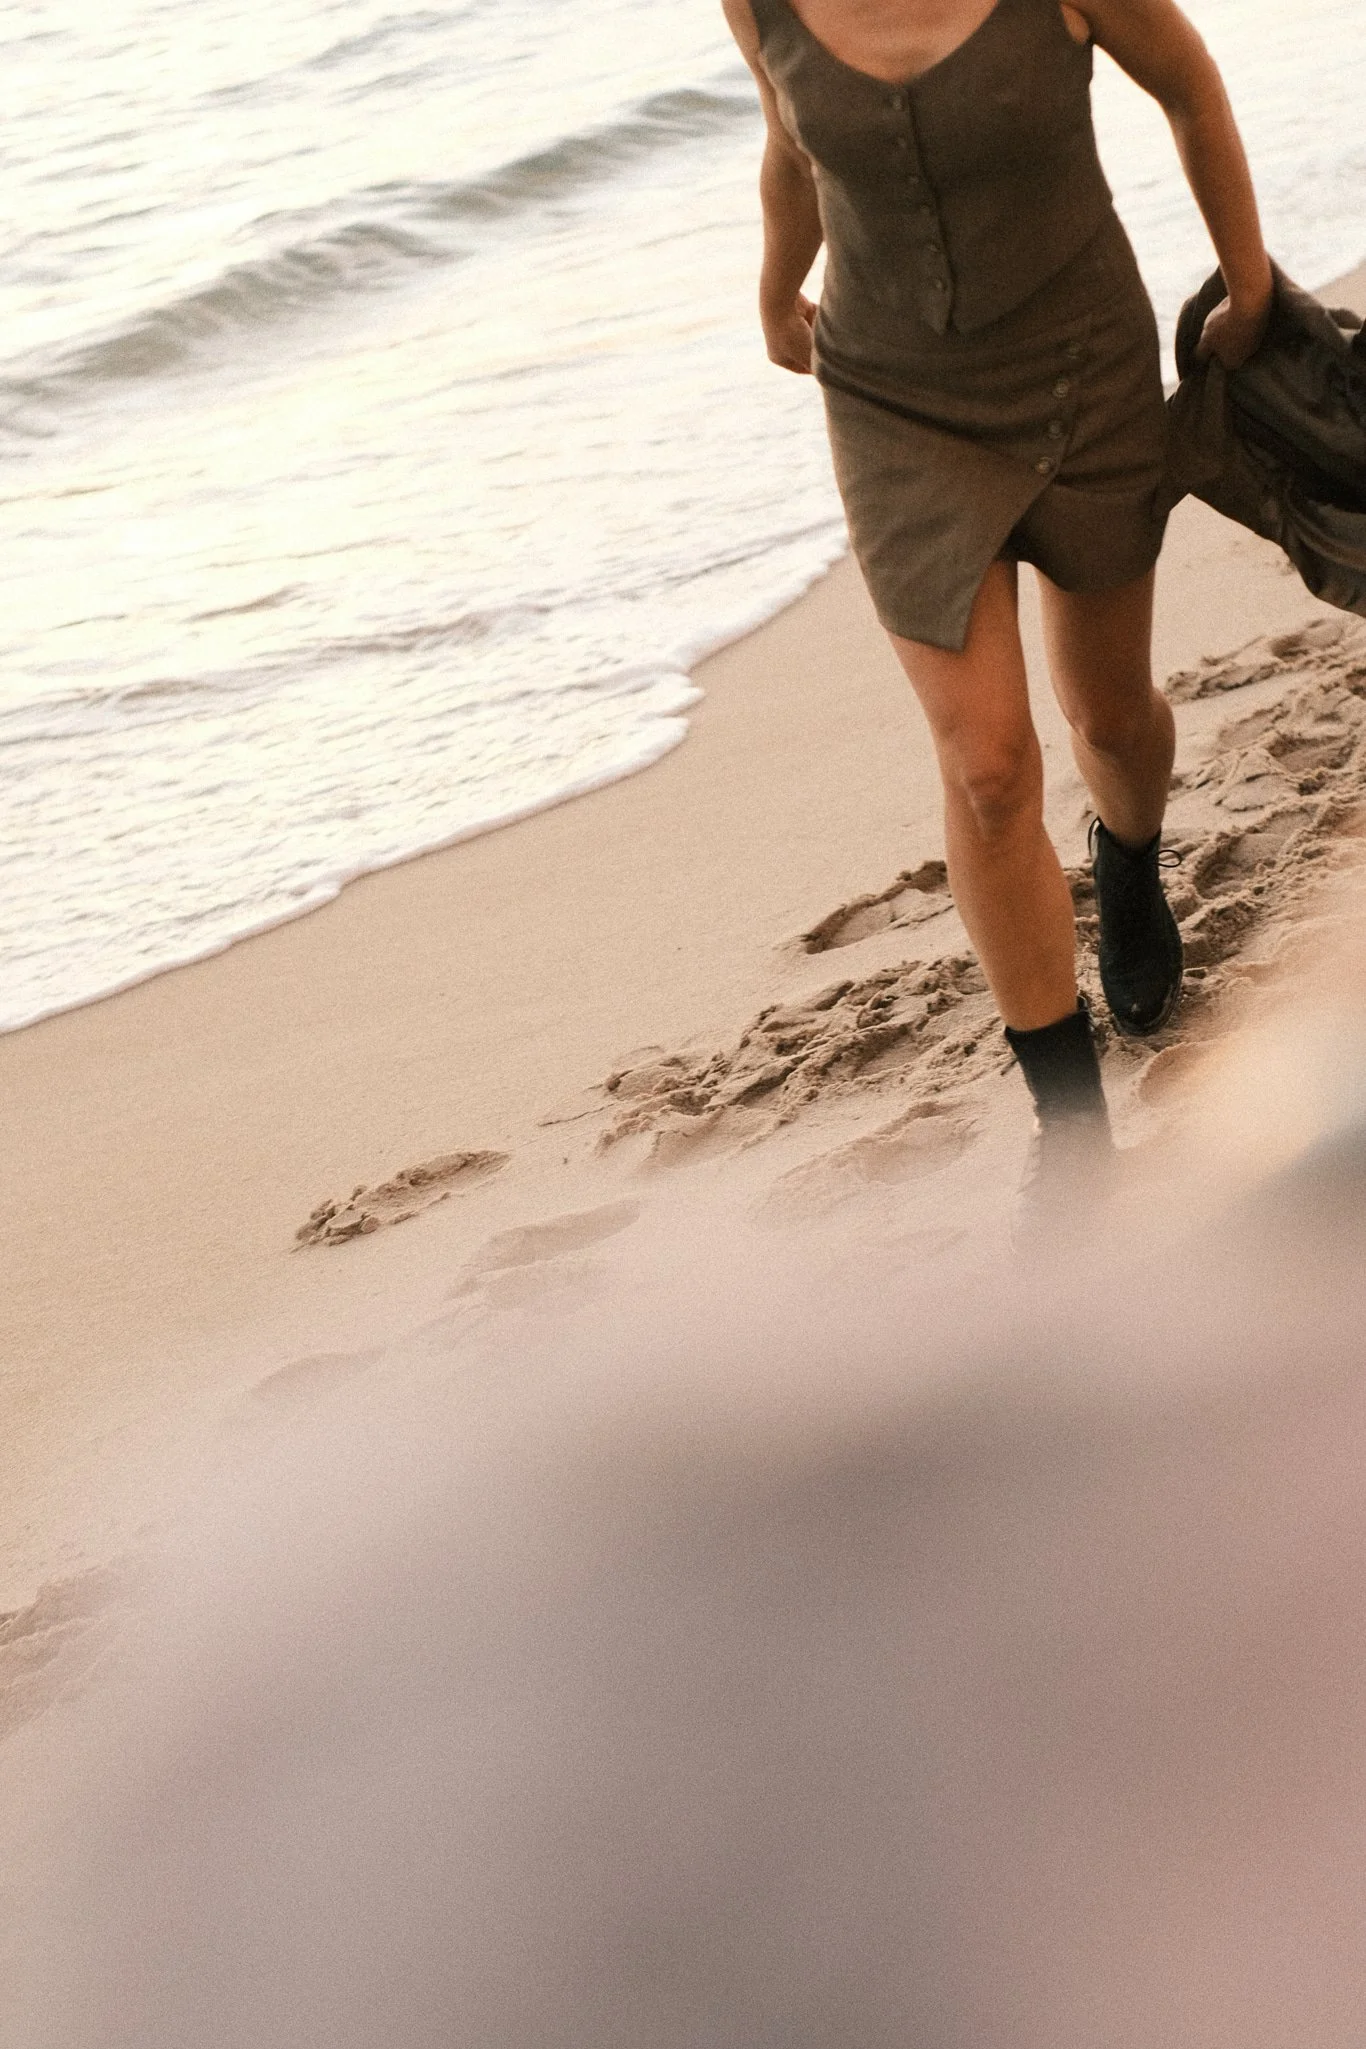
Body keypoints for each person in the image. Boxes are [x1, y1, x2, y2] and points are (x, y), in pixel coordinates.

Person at [721, 0, 1272, 1221]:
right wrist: (774, 296)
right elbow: (789, 147)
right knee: (985, 763)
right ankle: (1070, 1132)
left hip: (1086, 368)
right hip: (891, 397)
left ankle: (1127, 863)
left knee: (1113, 720)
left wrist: (1250, 284)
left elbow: (1187, 83)